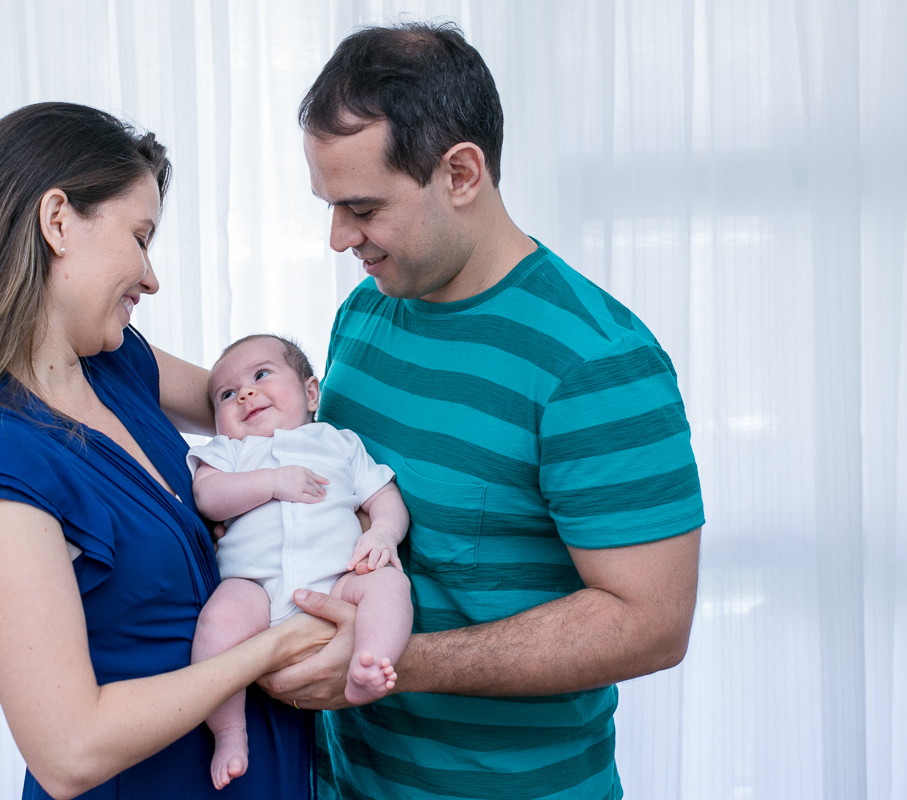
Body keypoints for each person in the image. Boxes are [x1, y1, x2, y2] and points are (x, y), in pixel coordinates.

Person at [257, 22, 706, 800]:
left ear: (461, 172)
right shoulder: (366, 314)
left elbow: (652, 622)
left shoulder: (595, 361)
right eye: (330, 205)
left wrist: (389, 664)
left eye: (361, 206)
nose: (338, 238)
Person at [0, 102, 343, 800]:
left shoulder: (115, 362)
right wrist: (275, 647)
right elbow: (69, 750)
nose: (151, 277)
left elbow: (266, 405)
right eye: (140, 236)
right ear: (58, 221)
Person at [187, 333, 412, 789]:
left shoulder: (339, 443)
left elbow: (384, 495)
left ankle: (370, 663)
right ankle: (229, 731)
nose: (245, 393)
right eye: (227, 394)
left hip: (338, 580)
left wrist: (384, 533)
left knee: (389, 585)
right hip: (255, 586)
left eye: (261, 375)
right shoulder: (229, 452)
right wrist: (270, 481)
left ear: (311, 393)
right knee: (217, 623)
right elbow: (208, 497)